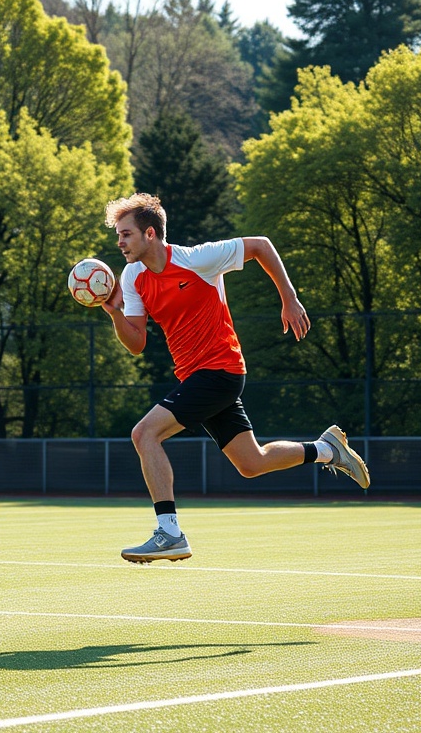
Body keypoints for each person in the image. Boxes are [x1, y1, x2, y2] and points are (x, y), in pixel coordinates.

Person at [100, 193, 370, 564]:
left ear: (150, 234)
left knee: (143, 433)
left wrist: (288, 299)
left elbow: (261, 245)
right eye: (118, 235)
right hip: (196, 377)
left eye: (125, 234)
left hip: (220, 371)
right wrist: (113, 312)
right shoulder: (133, 277)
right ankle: (326, 450)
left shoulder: (198, 259)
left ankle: (170, 532)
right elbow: (136, 343)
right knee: (251, 463)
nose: (119, 243)